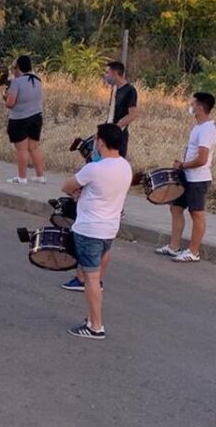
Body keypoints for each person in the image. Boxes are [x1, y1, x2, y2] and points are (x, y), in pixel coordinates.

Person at [59, 123, 131, 339]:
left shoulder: (94, 169)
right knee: (95, 276)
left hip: (90, 229)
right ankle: (90, 318)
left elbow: (66, 186)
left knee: (91, 280)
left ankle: (95, 326)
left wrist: (78, 193)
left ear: (101, 142)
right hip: (109, 229)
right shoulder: (125, 166)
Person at [155, 92, 216, 263]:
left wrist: (183, 165)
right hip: (186, 176)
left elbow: (202, 159)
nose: (191, 105)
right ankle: (174, 246)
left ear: (200, 107)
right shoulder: (198, 127)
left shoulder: (207, 130)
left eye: (193, 103)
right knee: (175, 208)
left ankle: (193, 251)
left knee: (196, 214)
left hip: (198, 178)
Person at [5, 55, 46, 184]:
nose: (13, 70)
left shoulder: (16, 82)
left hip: (20, 119)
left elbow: (10, 103)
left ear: (19, 68)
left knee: (22, 149)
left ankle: (22, 177)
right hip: (36, 117)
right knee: (34, 147)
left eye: (14, 67)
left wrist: (5, 97)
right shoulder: (37, 80)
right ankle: (40, 176)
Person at [104, 61, 139, 158]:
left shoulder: (130, 90)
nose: (106, 76)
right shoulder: (114, 89)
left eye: (107, 72)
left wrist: (116, 127)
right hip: (110, 132)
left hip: (119, 134)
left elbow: (133, 115)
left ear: (114, 73)